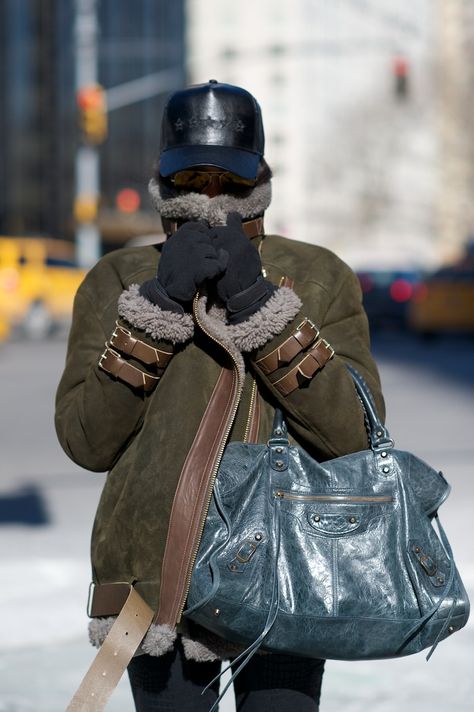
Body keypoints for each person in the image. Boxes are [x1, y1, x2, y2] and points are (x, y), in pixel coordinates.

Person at [56, 80, 385, 712]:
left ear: (257, 177)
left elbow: (355, 439)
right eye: (192, 178)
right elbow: (85, 440)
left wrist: (262, 307)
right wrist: (155, 311)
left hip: (287, 566)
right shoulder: (118, 279)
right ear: (165, 182)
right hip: (150, 582)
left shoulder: (316, 275)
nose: (209, 196)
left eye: (227, 180)